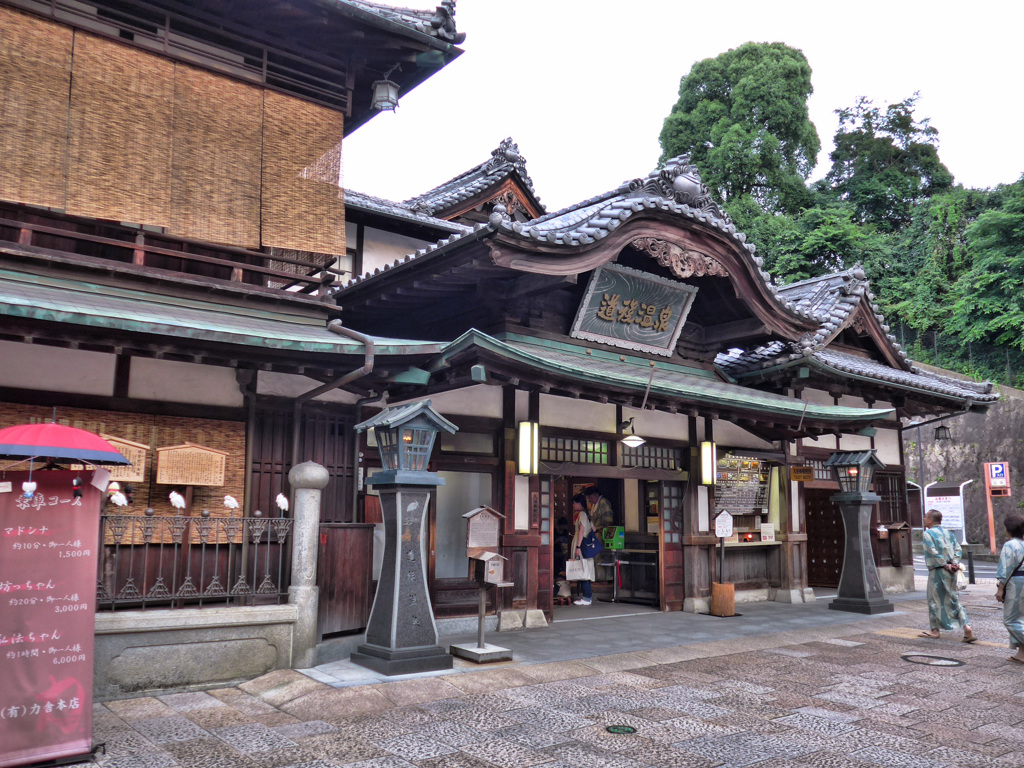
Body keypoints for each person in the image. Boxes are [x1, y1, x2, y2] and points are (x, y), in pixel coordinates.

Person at [920, 509, 977, 642]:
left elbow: (932, 552)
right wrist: (954, 563)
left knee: (934, 599)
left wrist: (945, 565)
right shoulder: (948, 533)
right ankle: (967, 627)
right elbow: (958, 549)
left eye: (925, 517)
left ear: (930, 519)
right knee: (953, 598)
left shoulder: (928, 534)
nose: (924, 519)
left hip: (938, 570)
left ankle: (934, 630)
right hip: (951, 571)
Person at [996, 514, 1024, 663]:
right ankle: (1021, 653)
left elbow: (1005, 569)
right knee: (1021, 617)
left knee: (1011, 619)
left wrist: (1000, 588)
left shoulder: (1010, 545)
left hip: (1016, 582)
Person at [570, 493, 595, 605]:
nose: (573, 506)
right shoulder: (587, 514)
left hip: (581, 543)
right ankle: (586, 596)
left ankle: (586, 597)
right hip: (585, 542)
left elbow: (581, 531)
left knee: (582, 568)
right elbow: (593, 528)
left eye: (574, 503)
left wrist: (578, 546)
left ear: (579, 503)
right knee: (583, 568)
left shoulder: (582, 514)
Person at [585, 485, 614, 581]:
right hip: (595, 533)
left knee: (599, 557)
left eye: (590, 497)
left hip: (601, 533)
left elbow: (608, 520)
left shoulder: (603, 502)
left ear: (596, 495)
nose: (590, 500)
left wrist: (605, 534)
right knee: (595, 556)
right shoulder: (594, 505)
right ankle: (596, 577)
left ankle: (602, 578)